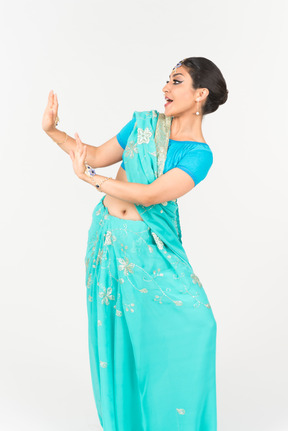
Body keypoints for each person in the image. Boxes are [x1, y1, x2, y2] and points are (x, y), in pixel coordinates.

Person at [42, 56, 228, 431]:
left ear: (200, 94)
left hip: (152, 251)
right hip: (110, 241)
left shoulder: (198, 155)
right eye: (167, 80)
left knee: (200, 325)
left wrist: (91, 180)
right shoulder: (143, 126)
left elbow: (149, 195)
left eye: (176, 81)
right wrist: (53, 131)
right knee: (119, 339)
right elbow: (93, 156)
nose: (165, 88)